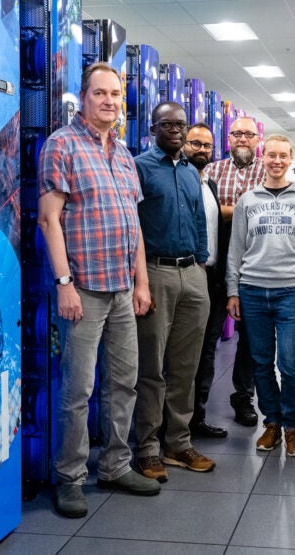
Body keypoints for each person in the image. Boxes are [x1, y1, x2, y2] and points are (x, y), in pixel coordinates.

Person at [37, 62, 160, 518]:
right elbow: (50, 219)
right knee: (78, 389)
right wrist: (64, 284)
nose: (109, 101)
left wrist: (142, 281)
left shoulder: (125, 154)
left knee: (124, 382)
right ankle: (69, 477)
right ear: (83, 98)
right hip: (84, 289)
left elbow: (135, 224)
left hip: (123, 290)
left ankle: (115, 464)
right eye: (100, 93)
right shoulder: (61, 146)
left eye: (116, 94)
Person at [132, 102, 216, 483]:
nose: (176, 130)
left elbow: (199, 218)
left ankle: (178, 443)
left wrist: (201, 260)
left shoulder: (190, 171)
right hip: (155, 273)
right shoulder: (140, 167)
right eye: (168, 124)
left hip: (192, 275)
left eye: (181, 124)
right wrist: (140, 279)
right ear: (153, 128)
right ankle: (147, 448)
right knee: (152, 368)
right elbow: (132, 225)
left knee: (186, 367)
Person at [226, 134, 295, 458]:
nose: (277, 161)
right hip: (252, 290)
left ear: (291, 159)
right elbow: (236, 249)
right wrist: (232, 291)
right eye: (271, 155)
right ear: (262, 158)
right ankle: (272, 423)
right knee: (261, 362)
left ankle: (292, 426)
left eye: (283, 156)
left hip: (292, 292)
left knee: (292, 363)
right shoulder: (247, 200)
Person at [203, 116, 268, 427]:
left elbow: (268, 214)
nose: (243, 139)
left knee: (251, 340)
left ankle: (243, 397)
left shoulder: (268, 171)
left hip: (255, 264)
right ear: (227, 138)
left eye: (249, 134)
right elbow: (205, 212)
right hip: (215, 264)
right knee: (208, 335)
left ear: (259, 139)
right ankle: (196, 405)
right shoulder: (212, 170)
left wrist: (226, 209)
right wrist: (245, 208)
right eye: (236, 133)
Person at [185, 122, 229, 439]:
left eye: (207, 145)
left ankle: (197, 417)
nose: (202, 150)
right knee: (181, 353)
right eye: (195, 143)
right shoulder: (178, 180)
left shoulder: (209, 183)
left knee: (207, 351)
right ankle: (173, 424)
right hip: (186, 275)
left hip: (212, 278)